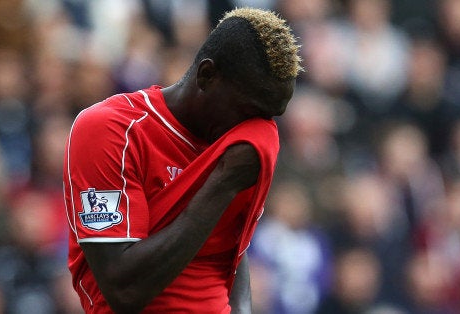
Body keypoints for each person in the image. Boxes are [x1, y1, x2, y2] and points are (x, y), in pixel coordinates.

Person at [63, 7, 302, 313]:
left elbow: (230, 254)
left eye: (272, 115)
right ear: (207, 75)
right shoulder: (111, 130)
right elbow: (124, 291)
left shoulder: (239, 143)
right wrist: (223, 183)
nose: (260, 129)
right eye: (251, 110)